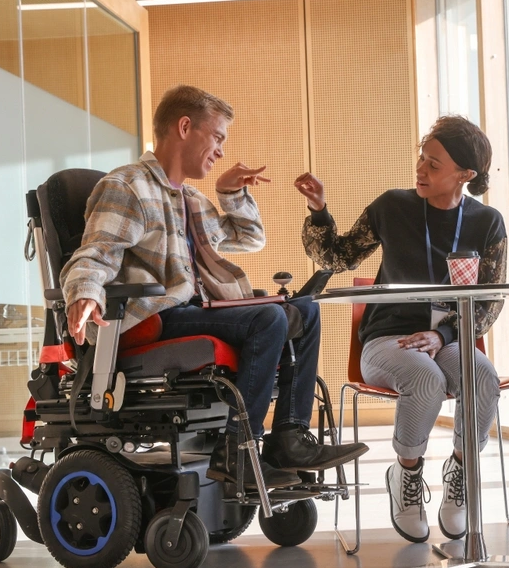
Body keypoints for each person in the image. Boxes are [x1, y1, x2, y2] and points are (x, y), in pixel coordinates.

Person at [60, 84, 368, 490]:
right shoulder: (128, 187)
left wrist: (230, 192)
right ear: (185, 127)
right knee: (268, 319)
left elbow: (249, 237)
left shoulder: (191, 199)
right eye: (218, 137)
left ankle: (288, 439)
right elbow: (97, 252)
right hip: (159, 316)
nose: (221, 150)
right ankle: (238, 452)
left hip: (197, 308)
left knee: (306, 309)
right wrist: (85, 292)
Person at [295, 115, 507, 543]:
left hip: (447, 336)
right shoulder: (392, 206)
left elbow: (489, 301)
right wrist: (319, 210)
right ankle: (406, 474)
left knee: (483, 378)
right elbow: (337, 258)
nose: (420, 169)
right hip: (388, 339)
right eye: (421, 158)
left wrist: (443, 335)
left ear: (464, 175)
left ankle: (460, 473)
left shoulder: (487, 222)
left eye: (433, 164)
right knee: (426, 379)